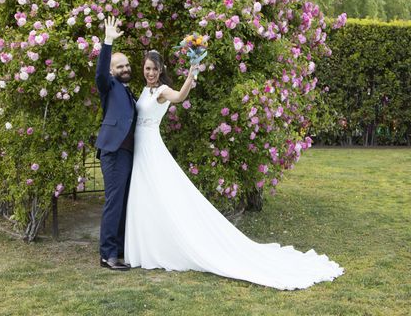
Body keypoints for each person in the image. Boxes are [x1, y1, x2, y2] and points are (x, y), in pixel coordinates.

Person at [123, 47, 345, 290]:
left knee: (161, 193)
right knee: (147, 195)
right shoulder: (145, 90)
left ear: (161, 70)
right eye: (147, 69)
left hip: (151, 147)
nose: (151, 73)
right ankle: (148, 244)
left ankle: (162, 246)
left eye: (154, 69)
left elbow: (180, 97)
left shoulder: (163, 91)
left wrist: (191, 75)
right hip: (141, 147)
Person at [94, 16, 136, 271]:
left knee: (123, 201)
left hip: (128, 154)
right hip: (114, 151)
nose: (125, 69)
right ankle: (107, 255)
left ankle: (118, 250)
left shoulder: (126, 91)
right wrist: (108, 41)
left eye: (127, 65)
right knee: (114, 201)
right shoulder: (108, 85)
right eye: (120, 66)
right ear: (112, 71)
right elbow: (100, 72)